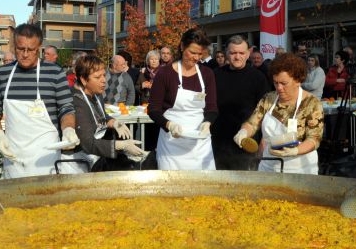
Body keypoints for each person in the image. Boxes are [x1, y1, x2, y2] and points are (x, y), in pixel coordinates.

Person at [0, 24, 78, 178]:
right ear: (14, 46)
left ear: (39, 48)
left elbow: (66, 108)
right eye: (21, 49)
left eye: (31, 49)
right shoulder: (2, 74)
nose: (25, 54)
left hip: (46, 157)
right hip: (13, 155)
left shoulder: (55, 72)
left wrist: (69, 129)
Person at [233, 54, 323, 174]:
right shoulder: (268, 99)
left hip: (300, 169)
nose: (279, 87)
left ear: (298, 81)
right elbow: (252, 123)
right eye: (276, 83)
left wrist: (295, 151)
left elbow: (314, 139)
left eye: (284, 83)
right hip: (269, 166)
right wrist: (243, 132)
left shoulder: (311, 103)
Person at [61, 55, 145, 173]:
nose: (104, 80)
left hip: (94, 156)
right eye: (97, 77)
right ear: (84, 80)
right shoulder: (76, 102)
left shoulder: (96, 94)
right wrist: (120, 145)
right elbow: (88, 143)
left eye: (104, 75)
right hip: (76, 162)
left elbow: (102, 117)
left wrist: (114, 123)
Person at [149, 28, 218, 170]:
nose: (196, 58)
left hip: (200, 145)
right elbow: (153, 110)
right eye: (192, 52)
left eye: (200, 54)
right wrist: (169, 125)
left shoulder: (207, 74)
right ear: (181, 47)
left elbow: (212, 108)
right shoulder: (165, 74)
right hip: (171, 144)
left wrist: (208, 122)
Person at [211, 35, 268, 170]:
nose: (237, 57)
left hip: (247, 141)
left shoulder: (258, 77)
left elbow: (265, 112)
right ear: (226, 54)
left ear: (248, 54)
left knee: (245, 186)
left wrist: (263, 141)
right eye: (233, 53)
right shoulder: (215, 75)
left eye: (241, 53)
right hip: (219, 140)